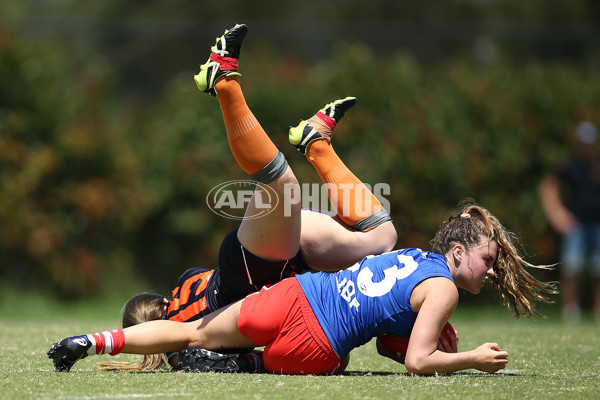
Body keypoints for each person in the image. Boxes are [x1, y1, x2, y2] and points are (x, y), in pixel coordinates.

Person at [48, 24, 397, 372]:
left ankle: (222, 81)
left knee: (281, 182)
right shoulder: (182, 288)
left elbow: (187, 335)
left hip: (253, 270)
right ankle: (316, 141)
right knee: (382, 239)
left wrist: (95, 341)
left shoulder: (178, 335)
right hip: (274, 263)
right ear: (159, 300)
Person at [48, 200, 557, 376]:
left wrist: (411, 337)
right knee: (335, 363)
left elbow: (391, 338)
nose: (490, 273)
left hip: (298, 294)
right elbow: (417, 364)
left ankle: (90, 342)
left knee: (191, 334)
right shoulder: (442, 287)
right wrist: (472, 357)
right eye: (489, 262)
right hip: (317, 345)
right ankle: (246, 364)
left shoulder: (413, 257)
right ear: (460, 252)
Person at [539, 120, 600, 323]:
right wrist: (557, 213)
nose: (587, 146)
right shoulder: (570, 165)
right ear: (578, 143)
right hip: (576, 226)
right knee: (571, 269)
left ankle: (598, 311)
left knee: (597, 270)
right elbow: (548, 186)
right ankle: (571, 311)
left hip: (598, 224)